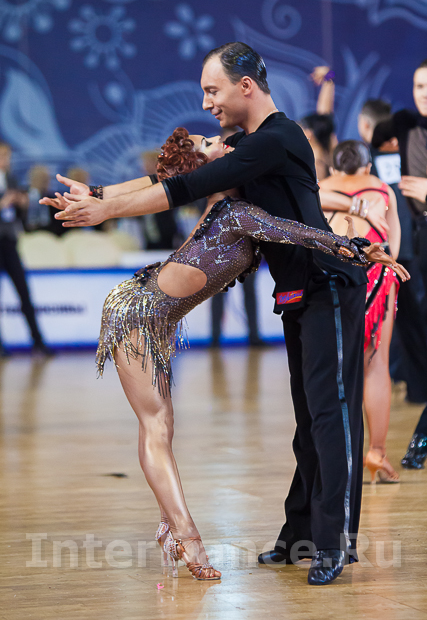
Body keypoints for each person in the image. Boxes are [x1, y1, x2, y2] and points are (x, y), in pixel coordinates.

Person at [45, 42, 393, 585]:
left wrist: (106, 208)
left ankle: (333, 545)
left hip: (328, 286)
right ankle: (300, 537)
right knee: (309, 420)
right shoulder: (246, 146)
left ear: (245, 86)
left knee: (331, 417)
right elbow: (172, 174)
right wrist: (97, 192)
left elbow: (188, 185)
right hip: (296, 292)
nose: (206, 104)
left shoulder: (278, 138)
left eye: (213, 90)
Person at [319, 140, 401, 483]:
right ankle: (376, 452)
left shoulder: (319, 188)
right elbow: (393, 250)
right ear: (368, 167)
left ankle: (333, 460)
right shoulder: (383, 190)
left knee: (330, 370)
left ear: (334, 168)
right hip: (376, 279)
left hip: (331, 279)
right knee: (376, 366)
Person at [372, 60, 427, 469]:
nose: (424, 93)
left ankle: (420, 441)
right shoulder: (407, 122)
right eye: (419, 86)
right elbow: (376, 137)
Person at [0, 142, 51, 356]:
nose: (6, 160)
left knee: (23, 291)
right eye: (3, 156)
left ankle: (38, 341)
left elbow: (19, 215)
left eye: (7, 156)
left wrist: (22, 204)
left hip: (10, 241)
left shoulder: (11, 180)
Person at [299, 66, 337, 180]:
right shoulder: (329, 148)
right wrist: (328, 78)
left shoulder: (316, 165)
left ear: (308, 133)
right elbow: (325, 114)